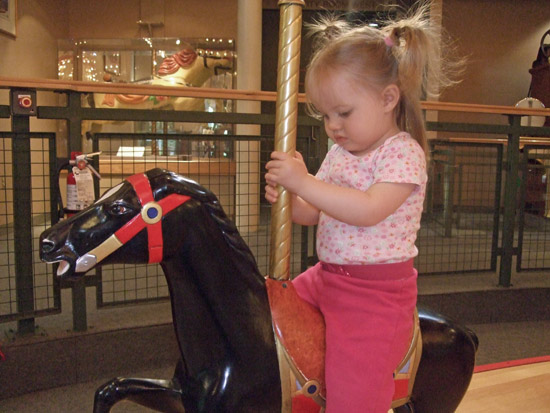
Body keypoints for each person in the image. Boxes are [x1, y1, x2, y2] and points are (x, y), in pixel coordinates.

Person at [265, 3, 461, 412]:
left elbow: (369, 210)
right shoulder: (341, 152)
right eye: (325, 115)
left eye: (344, 112)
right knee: (265, 320)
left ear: (389, 98)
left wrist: (304, 183)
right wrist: (291, 201)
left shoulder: (402, 154)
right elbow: (317, 212)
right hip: (325, 278)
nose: (333, 126)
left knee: (352, 398)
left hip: (373, 297)